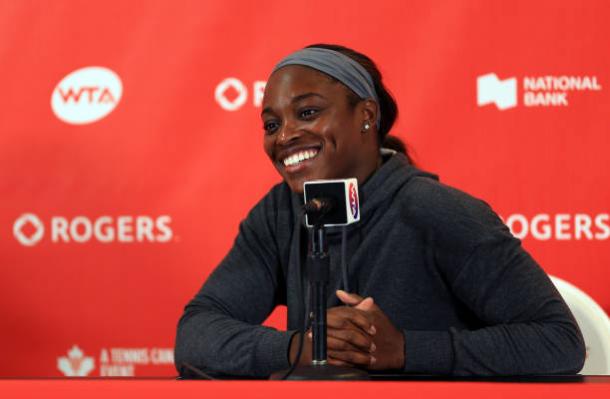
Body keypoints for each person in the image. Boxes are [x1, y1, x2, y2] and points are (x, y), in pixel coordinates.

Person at [175, 44, 585, 377]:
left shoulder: (438, 212)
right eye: (271, 124)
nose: (285, 136)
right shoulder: (279, 213)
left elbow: (558, 341)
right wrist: (302, 347)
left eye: (308, 112)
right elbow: (196, 335)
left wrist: (405, 349)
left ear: (366, 116)